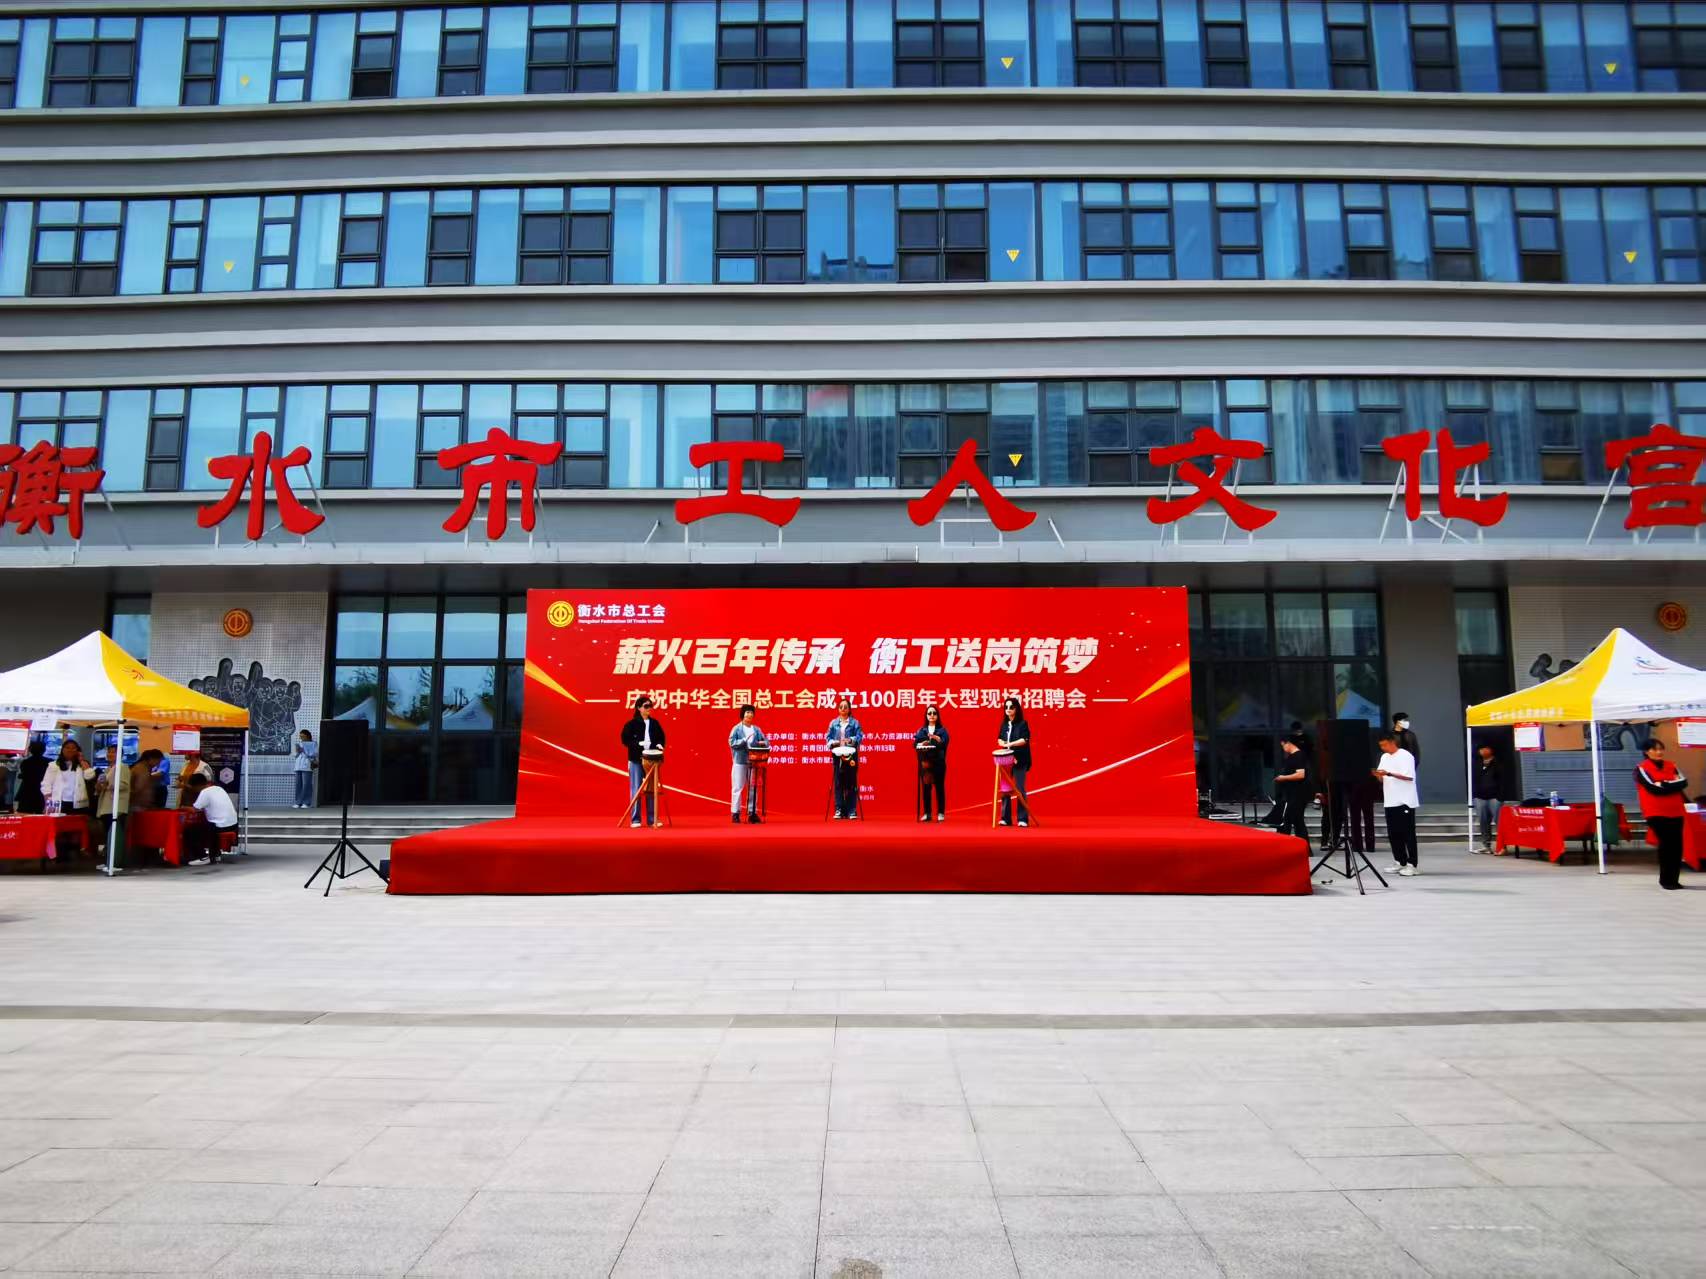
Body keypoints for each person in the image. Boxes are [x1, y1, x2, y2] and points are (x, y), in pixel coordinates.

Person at [1634, 738, 1689, 890]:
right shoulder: (1641, 768)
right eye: (1655, 749)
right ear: (1646, 752)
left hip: (1676, 810)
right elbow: (1654, 789)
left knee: (1677, 846)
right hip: (1655, 811)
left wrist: (1664, 783)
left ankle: (1674, 880)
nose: (1659, 752)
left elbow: (1684, 782)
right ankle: (1665, 880)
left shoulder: (1672, 765)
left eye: (1661, 749)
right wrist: (1671, 784)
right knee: (1666, 844)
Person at [1374, 731, 1420, 876]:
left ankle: (1412, 864)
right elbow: (1382, 776)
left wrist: (1389, 773)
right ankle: (1400, 861)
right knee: (1394, 833)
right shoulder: (1384, 757)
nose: (1383, 748)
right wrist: (1379, 776)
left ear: (1392, 742)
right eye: (1381, 746)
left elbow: (1409, 777)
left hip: (1405, 800)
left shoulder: (1405, 756)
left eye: (1385, 745)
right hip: (1390, 800)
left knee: (1408, 833)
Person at [619, 696, 666, 828]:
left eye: (650, 706)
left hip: (651, 760)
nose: (649, 708)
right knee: (636, 789)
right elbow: (625, 740)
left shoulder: (655, 723)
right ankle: (635, 819)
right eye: (646, 706)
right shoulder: (631, 724)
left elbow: (661, 737)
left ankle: (652, 819)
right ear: (639, 708)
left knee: (651, 789)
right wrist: (638, 743)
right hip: (636, 759)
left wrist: (659, 745)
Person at [181, 773, 238, 866]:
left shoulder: (205, 792)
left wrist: (183, 807)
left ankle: (201, 856)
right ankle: (215, 853)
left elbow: (194, 809)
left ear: (198, 786)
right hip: (233, 824)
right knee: (204, 826)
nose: (195, 791)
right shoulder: (218, 788)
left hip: (220, 825)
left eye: (194, 788)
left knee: (189, 831)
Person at [728, 704, 769, 824]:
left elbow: (766, 741)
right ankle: (735, 813)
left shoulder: (756, 729)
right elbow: (732, 742)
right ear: (743, 714)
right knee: (737, 788)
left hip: (753, 762)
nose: (749, 715)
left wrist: (763, 742)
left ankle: (752, 813)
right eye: (747, 712)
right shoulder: (737, 728)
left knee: (753, 788)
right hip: (740, 761)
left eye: (751, 712)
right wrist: (743, 741)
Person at [997, 696, 1033, 827]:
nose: (1008, 709)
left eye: (1011, 707)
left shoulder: (1023, 724)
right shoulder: (1004, 724)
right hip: (1006, 759)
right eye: (1006, 707)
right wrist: (1003, 743)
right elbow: (999, 739)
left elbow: (1024, 740)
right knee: (1005, 788)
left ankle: (1022, 819)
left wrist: (1010, 744)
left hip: (1020, 759)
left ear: (1016, 709)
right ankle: (1005, 818)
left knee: (1019, 788)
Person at [94, 743, 131, 862]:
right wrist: (98, 787)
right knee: (107, 833)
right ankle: (109, 859)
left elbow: (124, 785)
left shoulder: (122, 767)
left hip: (116, 807)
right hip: (106, 806)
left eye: (113, 752)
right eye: (109, 751)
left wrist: (108, 786)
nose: (110, 754)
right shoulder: (108, 769)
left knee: (114, 834)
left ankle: (115, 860)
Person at [1274, 735, 1313, 849]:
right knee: (1296, 821)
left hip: (1298, 795)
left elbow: (1301, 774)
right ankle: (1303, 848)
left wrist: (1283, 778)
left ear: (1288, 743)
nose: (1283, 749)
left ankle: (1283, 846)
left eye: (1283, 746)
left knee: (1290, 820)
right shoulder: (1292, 757)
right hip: (1292, 794)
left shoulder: (1298, 756)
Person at [826, 697, 863, 819]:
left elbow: (860, 736)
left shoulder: (855, 723)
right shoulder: (833, 723)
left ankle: (852, 810)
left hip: (851, 755)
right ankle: (839, 809)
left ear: (849, 709)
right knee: (838, 782)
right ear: (838, 709)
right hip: (838, 755)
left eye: (845, 707)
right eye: (841, 707)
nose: (843, 709)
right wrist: (833, 742)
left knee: (851, 782)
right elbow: (828, 738)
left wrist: (851, 740)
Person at [913, 706, 949, 821]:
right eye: (929, 713)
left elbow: (945, 743)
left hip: (938, 762)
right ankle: (927, 813)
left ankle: (941, 813)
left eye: (934, 713)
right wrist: (921, 743)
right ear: (926, 716)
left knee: (939, 787)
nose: (932, 715)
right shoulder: (922, 730)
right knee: (926, 788)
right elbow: (915, 744)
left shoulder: (942, 730)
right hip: (925, 763)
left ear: (937, 716)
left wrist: (938, 740)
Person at [1471, 743, 1506, 853]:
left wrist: (1500, 796)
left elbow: (1503, 780)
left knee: (1499, 821)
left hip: (1494, 797)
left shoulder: (1497, 762)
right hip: (1480, 797)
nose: (1482, 751)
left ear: (1490, 750)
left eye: (1485, 748)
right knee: (1483, 822)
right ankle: (1486, 845)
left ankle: (1502, 846)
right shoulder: (1477, 763)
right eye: (1481, 749)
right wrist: (1474, 795)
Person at [15, 741, 48, 815]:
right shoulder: (49, 762)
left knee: (25, 816)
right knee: (41, 817)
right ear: (44, 750)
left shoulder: (25, 762)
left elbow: (24, 775)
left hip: (27, 793)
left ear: (30, 750)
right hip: (42, 793)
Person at [291, 729, 319, 809]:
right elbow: (295, 755)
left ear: (307, 736)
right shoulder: (299, 744)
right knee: (298, 785)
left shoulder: (313, 743)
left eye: (303, 736)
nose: (301, 738)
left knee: (306, 784)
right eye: (300, 736)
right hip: (298, 766)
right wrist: (298, 751)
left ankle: (306, 802)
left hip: (307, 766)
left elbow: (315, 754)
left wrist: (304, 750)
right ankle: (298, 802)